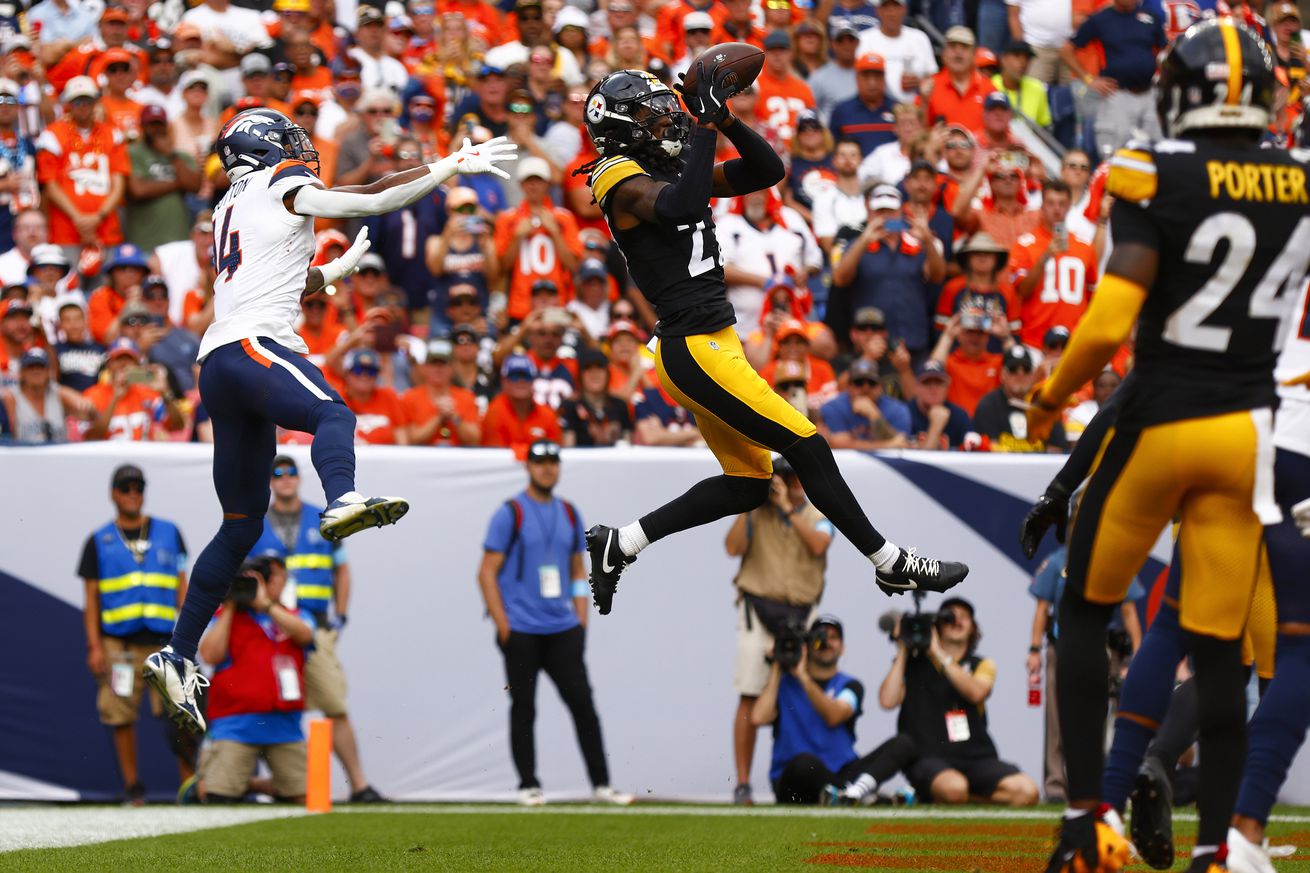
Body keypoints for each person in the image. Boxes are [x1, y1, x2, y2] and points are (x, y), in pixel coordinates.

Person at [141, 109, 517, 735]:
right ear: (267, 149)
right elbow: (367, 198)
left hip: (220, 362)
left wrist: (327, 276)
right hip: (252, 347)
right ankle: (340, 498)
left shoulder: (234, 203)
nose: (300, 150)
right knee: (332, 413)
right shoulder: (277, 182)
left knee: (239, 527)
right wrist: (448, 166)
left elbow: (265, 276)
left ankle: (178, 653)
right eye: (287, 142)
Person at [1027, 21, 1301, 872]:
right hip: (1245, 436)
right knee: (1219, 654)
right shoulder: (1297, 180)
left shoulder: (1156, 171)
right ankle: (1219, 845)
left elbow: (1111, 320)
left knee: (1086, 607)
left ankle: (1084, 824)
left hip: (1160, 422)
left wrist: (1048, 397)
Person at [578, 68, 967, 615]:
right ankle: (890, 562)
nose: (664, 118)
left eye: (665, 107)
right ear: (619, 129)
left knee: (749, 483)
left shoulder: (664, 168)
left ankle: (621, 543)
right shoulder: (615, 175)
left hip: (713, 343)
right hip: (693, 350)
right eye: (649, 113)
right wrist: (707, 127)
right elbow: (680, 207)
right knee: (806, 445)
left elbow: (768, 169)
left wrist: (727, 119)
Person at [477, 440, 632, 806]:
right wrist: (504, 625)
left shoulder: (569, 513)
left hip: (562, 628)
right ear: (528, 467)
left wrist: (581, 620)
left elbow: (578, 570)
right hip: (522, 630)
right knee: (524, 707)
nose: (547, 468)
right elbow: (486, 573)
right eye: (540, 462)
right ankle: (528, 785)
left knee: (583, 706)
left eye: (552, 462)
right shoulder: (510, 512)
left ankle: (601, 786)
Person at [249, 456, 384, 802]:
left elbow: (342, 569)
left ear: (299, 478)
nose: (284, 479)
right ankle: (270, 783)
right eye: (276, 474)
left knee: (333, 702)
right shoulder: (255, 523)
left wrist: (340, 614)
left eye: (290, 472)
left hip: (314, 629)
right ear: (269, 482)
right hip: (269, 628)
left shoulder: (321, 518)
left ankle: (359, 784)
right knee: (265, 704)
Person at [79, 464, 190, 804]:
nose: (132, 494)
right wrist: (94, 646)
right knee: (120, 713)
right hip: (119, 646)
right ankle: (133, 787)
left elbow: (182, 588)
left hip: (164, 644)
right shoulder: (99, 540)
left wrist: (188, 637)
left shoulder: (170, 531)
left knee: (181, 714)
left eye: (138, 488)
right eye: (125, 488)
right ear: (113, 493)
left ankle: (190, 785)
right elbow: (91, 600)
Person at [725, 458, 832, 805]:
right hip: (759, 609)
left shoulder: (819, 510)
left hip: (803, 613)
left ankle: (811, 777)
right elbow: (732, 548)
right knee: (750, 694)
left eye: (794, 475)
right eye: (782, 476)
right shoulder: (757, 512)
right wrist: (748, 505)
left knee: (805, 689)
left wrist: (787, 507)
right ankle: (742, 783)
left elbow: (819, 545)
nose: (789, 481)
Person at [879, 597, 1040, 806]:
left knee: (1027, 792)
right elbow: (887, 701)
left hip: (976, 757)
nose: (957, 621)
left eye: (964, 618)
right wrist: (903, 648)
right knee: (954, 789)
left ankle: (944, 799)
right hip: (928, 757)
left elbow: (976, 693)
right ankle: (951, 796)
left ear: (973, 628)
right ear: (937, 627)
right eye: (949, 618)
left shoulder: (982, 664)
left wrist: (938, 653)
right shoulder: (913, 663)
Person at [752, 615, 918, 805]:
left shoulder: (850, 685)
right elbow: (758, 718)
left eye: (833, 637)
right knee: (804, 763)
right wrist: (777, 665)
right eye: (820, 637)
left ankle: (853, 794)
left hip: (842, 772)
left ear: (842, 648)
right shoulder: (784, 683)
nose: (826, 642)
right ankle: (862, 797)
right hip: (796, 779)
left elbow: (834, 716)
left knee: (904, 743)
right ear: (807, 645)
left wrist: (804, 678)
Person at [196, 557, 314, 803]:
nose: (280, 581)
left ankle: (255, 785)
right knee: (216, 796)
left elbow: (304, 635)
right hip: (235, 724)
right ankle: (235, 783)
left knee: (306, 797)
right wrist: (230, 604)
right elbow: (209, 654)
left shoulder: (295, 614)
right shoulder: (224, 617)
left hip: (285, 726)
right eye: (276, 576)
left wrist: (266, 605)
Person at [974, 346, 1066, 452]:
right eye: (1013, 369)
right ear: (1002, 375)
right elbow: (989, 450)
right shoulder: (988, 405)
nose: (1020, 374)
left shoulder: (1046, 404)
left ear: (1032, 375)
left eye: (1026, 369)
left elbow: (1056, 451)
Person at [560, 347, 631, 447]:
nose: (595, 374)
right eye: (588, 369)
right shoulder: (570, 406)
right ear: (580, 375)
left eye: (600, 368)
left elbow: (628, 443)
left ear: (608, 374)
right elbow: (568, 447)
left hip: (616, 461)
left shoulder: (620, 405)